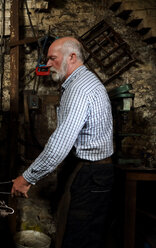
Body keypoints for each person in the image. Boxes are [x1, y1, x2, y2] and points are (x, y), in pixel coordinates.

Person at [11, 37, 114, 248]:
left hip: (92, 175)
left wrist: (27, 178)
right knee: (75, 233)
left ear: (72, 57)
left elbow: (60, 143)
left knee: (79, 239)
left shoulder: (80, 88)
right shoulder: (77, 82)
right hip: (85, 170)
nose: (47, 64)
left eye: (52, 58)